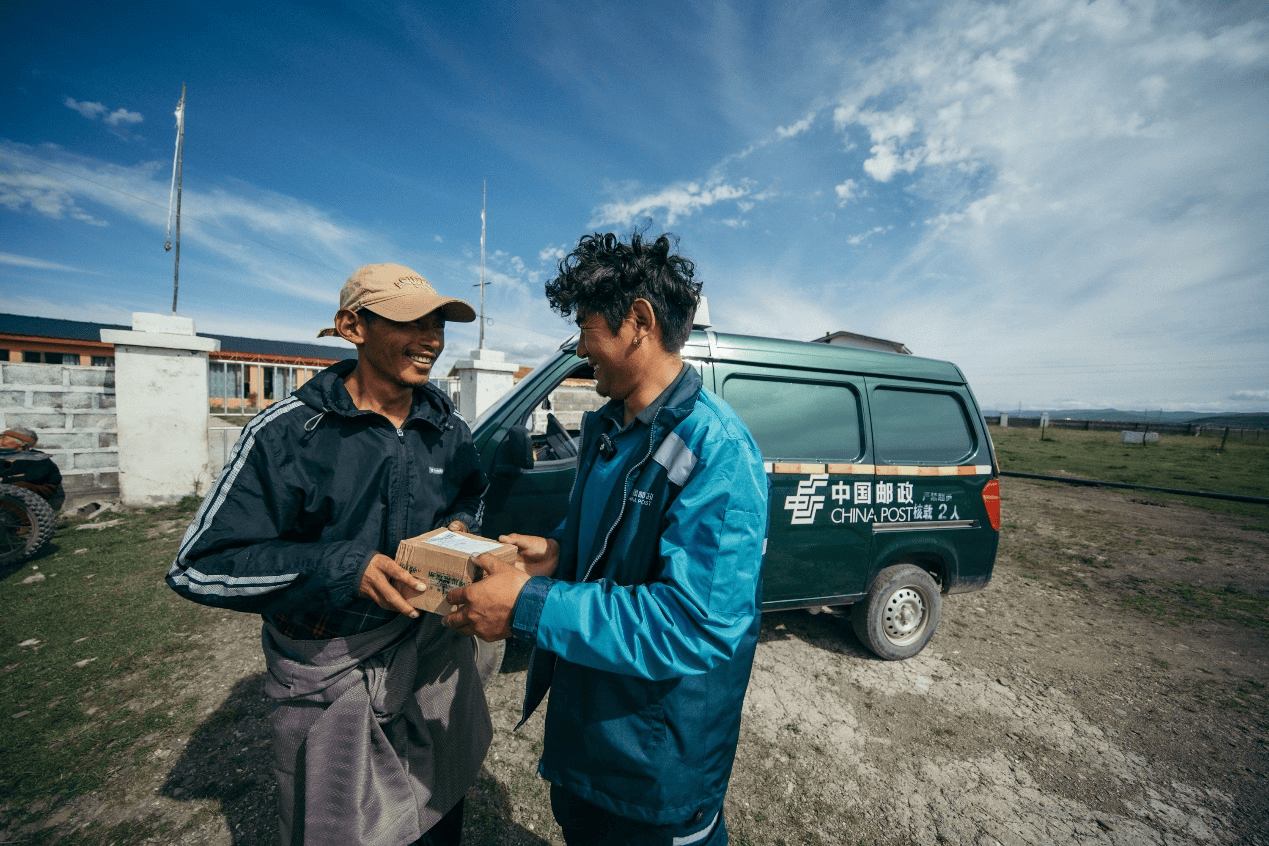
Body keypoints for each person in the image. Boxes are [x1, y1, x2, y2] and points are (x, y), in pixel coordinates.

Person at [443, 232, 769, 845]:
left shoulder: (717, 449)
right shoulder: (610, 428)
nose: (579, 346)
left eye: (586, 328)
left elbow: (695, 623)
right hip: (592, 738)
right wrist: (558, 552)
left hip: (655, 765)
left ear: (637, 322)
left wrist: (525, 605)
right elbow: (607, 543)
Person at [167, 263, 493, 846]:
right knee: (338, 824)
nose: (432, 340)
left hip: (430, 656)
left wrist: (457, 531)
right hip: (331, 668)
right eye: (410, 322)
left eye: (438, 323)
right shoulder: (287, 435)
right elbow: (200, 564)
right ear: (352, 326)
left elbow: (472, 494)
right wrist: (342, 566)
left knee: (438, 805)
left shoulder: (447, 427)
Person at [1, 426, 65, 511]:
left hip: (44, 489)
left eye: (4, 439)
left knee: (18, 487)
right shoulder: (5, 456)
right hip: (12, 486)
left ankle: (25, 522)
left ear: (22, 443)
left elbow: (34, 477)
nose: (0, 441)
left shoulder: (37, 458)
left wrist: (4, 479)